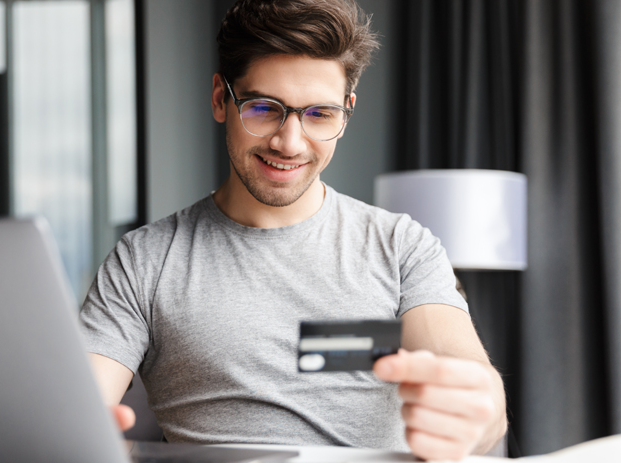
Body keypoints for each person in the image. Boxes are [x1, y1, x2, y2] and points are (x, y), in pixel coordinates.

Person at [79, 0, 507, 460]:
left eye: (319, 114)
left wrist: (474, 414)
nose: (289, 142)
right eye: (264, 108)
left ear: (346, 112)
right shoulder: (143, 260)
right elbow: (78, 408)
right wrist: (76, 428)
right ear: (221, 99)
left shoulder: (402, 246)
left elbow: (475, 390)